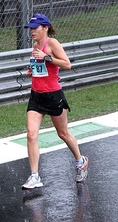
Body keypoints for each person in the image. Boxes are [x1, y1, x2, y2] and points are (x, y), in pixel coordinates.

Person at [22, 13, 89, 189]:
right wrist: (32, 71)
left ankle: (80, 161)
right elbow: (41, 69)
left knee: (63, 134)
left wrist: (46, 57)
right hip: (36, 95)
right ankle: (35, 176)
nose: (32, 32)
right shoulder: (35, 45)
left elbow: (67, 64)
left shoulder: (52, 43)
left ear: (45, 28)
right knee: (31, 134)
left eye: (35, 28)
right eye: (30, 29)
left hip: (53, 95)